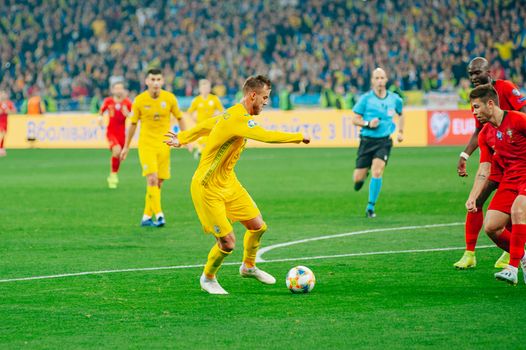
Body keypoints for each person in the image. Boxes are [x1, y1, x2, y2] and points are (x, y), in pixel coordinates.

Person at [164, 75, 310, 294]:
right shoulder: (238, 119)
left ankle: (248, 266)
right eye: (265, 97)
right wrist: (298, 136)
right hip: (207, 186)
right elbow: (266, 136)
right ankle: (208, 278)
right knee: (228, 243)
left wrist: (183, 137)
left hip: (228, 182)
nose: (266, 102)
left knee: (258, 226)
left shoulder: (232, 113)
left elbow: (206, 125)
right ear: (253, 95)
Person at [454, 57, 526, 269]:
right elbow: (479, 130)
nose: (474, 78)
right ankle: (470, 252)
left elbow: (521, 116)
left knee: (517, 207)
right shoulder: (478, 102)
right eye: (470, 74)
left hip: (515, 152)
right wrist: (465, 155)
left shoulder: (506, 89)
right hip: (494, 152)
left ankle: (513, 255)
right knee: (477, 199)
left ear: (489, 72)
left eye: (477, 73)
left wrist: (510, 140)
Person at [467, 84, 526, 285]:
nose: (474, 112)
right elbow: (484, 170)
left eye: (476, 107)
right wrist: (474, 196)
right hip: (510, 180)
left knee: (519, 209)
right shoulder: (485, 134)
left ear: (490, 104)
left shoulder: (518, 120)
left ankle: (512, 267)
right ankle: (523, 257)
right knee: (491, 227)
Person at [120, 68, 187, 227]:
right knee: (152, 179)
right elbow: (133, 124)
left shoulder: (169, 98)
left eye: (158, 79)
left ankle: (146, 217)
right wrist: (126, 147)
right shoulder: (139, 100)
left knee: (158, 183)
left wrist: (185, 138)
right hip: (146, 145)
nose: (156, 83)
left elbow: (180, 117)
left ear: (162, 81)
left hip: (164, 145)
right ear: (147, 81)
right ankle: (159, 215)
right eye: (153, 79)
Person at [352, 68, 404, 218]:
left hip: (384, 142)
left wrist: (400, 132)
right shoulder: (365, 99)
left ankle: (370, 207)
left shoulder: (394, 99)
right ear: (372, 81)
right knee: (358, 179)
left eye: (382, 78)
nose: (380, 81)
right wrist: (368, 123)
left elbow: (401, 114)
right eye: (377, 78)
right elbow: (354, 119)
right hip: (367, 141)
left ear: (386, 80)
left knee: (377, 171)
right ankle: (363, 174)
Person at [98, 81, 132, 189]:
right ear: (112, 90)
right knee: (116, 150)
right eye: (116, 88)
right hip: (111, 132)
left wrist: (129, 114)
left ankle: (113, 174)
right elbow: (101, 111)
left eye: (120, 88)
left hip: (122, 134)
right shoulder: (108, 101)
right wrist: (100, 118)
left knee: (119, 156)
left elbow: (134, 117)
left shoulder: (127, 103)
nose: (118, 90)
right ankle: (113, 175)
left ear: (123, 90)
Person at [187, 79, 224, 159]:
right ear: (200, 89)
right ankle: (201, 152)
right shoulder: (196, 100)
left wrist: (217, 115)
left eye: (207, 88)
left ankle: (201, 152)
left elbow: (222, 111)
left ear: (209, 89)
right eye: (203, 88)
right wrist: (194, 118)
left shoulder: (214, 99)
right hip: (201, 127)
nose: (205, 90)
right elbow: (189, 112)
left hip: (212, 127)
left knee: (211, 145)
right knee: (205, 144)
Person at [0, 90, 16, 157]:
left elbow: (14, 111)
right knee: (1, 134)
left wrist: (8, 111)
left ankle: (2, 148)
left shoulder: (9, 103)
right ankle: (1, 148)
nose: (3, 96)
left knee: (3, 134)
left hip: (5, 121)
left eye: (4, 94)